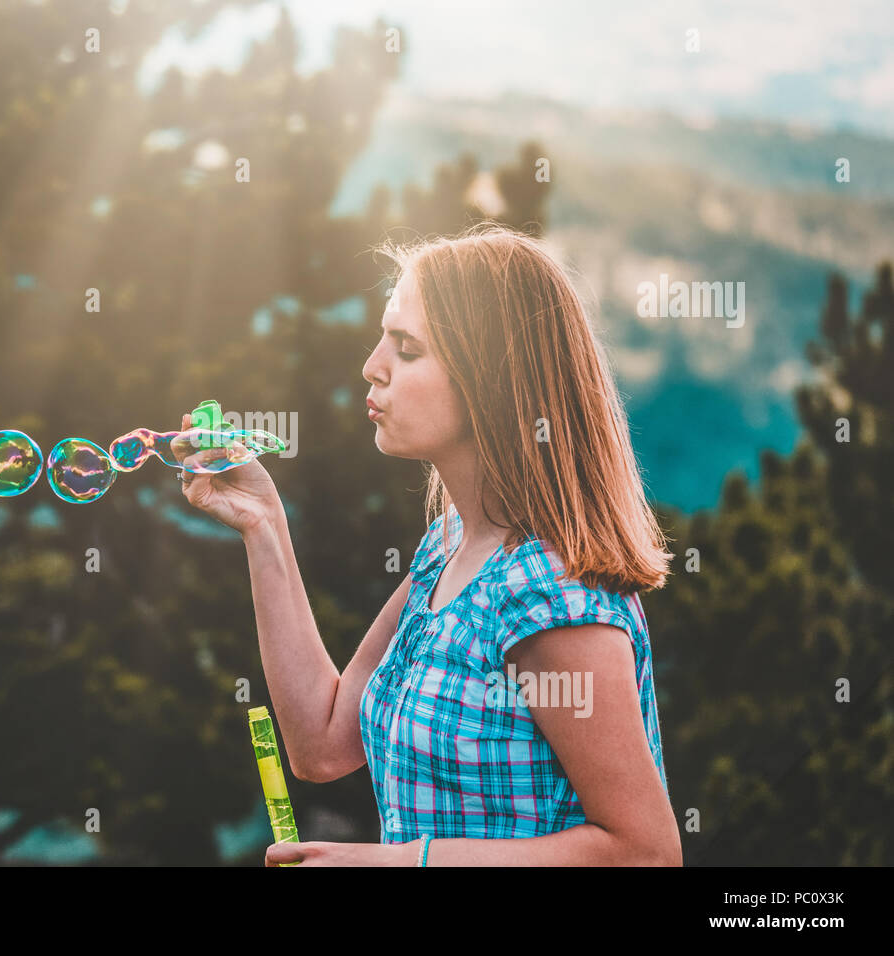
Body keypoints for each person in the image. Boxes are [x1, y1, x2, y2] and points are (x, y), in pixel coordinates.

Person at [176, 222, 681, 866]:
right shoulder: (446, 551)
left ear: (490, 380)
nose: (372, 367)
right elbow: (323, 743)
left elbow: (644, 853)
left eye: (407, 349)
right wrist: (264, 524)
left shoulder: (549, 593)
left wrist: (398, 864)